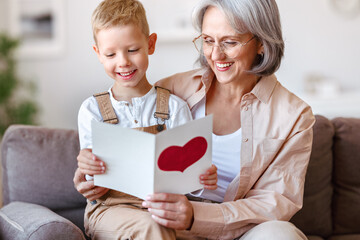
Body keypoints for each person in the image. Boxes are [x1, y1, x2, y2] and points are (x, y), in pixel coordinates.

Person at [75, 0, 316, 239]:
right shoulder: (172, 90)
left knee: (281, 235)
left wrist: (196, 216)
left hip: (240, 230)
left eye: (230, 42)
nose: (215, 54)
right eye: (208, 40)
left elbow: (275, 204)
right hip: (168, 225)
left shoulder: (294, 117)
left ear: (262, 43)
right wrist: (86, 174)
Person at [77, 0, 218, 239]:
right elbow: (91, 181)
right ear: (98, 54)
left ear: (150, 44)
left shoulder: (175, 107)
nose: (123, 61)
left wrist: (203, 177)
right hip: (110, 210)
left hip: (163, 209)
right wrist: (88, 170)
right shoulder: (92, 110)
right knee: (153, 227)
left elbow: (191, 185)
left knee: (202, 231)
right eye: (111, 54)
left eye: (132, 50)